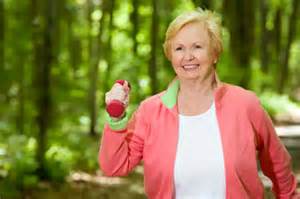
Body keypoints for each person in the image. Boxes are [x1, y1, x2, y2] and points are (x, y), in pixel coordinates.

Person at [98, 8, 299, 199]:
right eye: (179, 48)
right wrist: (116, 118)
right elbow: (114, 166)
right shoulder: (150, 111)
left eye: (197, 47)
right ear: (171, 56)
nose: (188, 56)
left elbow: (278, 165)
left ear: (215, 53)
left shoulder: (245, 104)